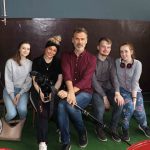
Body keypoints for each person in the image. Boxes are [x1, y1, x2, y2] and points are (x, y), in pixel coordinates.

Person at [57, 27, 96, 150]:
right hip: (69, 89)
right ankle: (65, 141)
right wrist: (71, 92)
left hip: (86, 92)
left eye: (82, 39)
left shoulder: (92, 58)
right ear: (72, 40)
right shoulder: (65, 56)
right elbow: (67, 75)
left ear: (86, 41)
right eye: (77, 39)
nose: (80, 42)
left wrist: (71, 93)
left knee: (68, 105)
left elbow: (86, 80)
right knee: (61, 105)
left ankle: (81, 131)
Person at [31, 35, 63, 150]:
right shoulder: (37, 61)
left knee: (58, 108)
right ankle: (42, 142)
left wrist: (53, 91)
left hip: (53, 90)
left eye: (54, 50)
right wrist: (40, 92)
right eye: (50, 49)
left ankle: (61, 130)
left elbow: (60, 79)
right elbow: (34, 80)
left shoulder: (58, 62)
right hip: (37, 90)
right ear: (45, 48)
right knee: (43, 111)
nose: (51, 52)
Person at [115, 42, 150, 141]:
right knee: (129, 107)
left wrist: (134, 99)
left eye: (126, 51)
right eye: (121, 52)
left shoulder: (138, 64)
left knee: (139, 109)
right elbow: (115, 79)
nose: (123, 54)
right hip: (123, 90)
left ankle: (143, 125)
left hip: (135, 90)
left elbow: (135, 82)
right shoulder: (117, 62)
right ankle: (124, 129)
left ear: (131, 52)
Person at [92, 37, 124, 142]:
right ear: (98, 47)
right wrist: (104, 97)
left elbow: (114, 78)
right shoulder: (91, 60)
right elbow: (93, 81)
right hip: (96, 90)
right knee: (100, 109)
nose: (106, 49)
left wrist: (117, 92)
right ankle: (99, 127)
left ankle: (113, 127)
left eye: (108, 47)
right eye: (103, 46)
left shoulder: (111, 60)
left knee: (120, 103)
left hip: (109, 89)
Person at [3, 41, 32, 122]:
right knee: (12, 114)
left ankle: (20, 124)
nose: (26, 51)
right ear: (19, 49)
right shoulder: (10, 62)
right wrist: (12, 97)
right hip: (9, 91)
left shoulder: (30, 64)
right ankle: (3, 122)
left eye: (28, 49)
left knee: (23, 110)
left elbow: (28, 82)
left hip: (23, 91)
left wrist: (20, 94)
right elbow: (8, 80)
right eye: (23, 48)